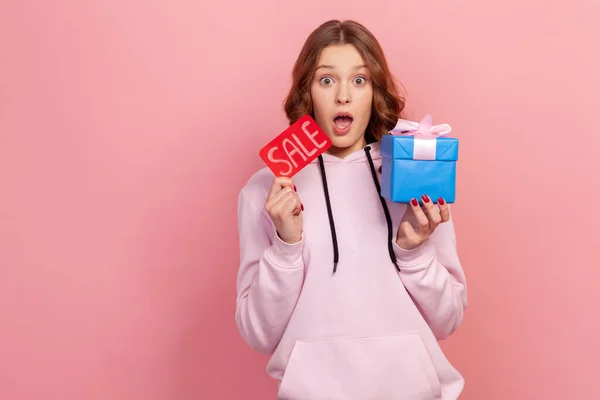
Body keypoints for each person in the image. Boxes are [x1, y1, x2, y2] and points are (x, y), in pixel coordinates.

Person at [234, 19, 468, 400]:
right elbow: (258, 334)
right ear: (307, 91)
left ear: (374, 91)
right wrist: (286, 246)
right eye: (327, 80)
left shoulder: (414, 174)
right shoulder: (268, 189)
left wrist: (413, 252)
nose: (343, 95)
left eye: (359, 80)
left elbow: (448, 319)